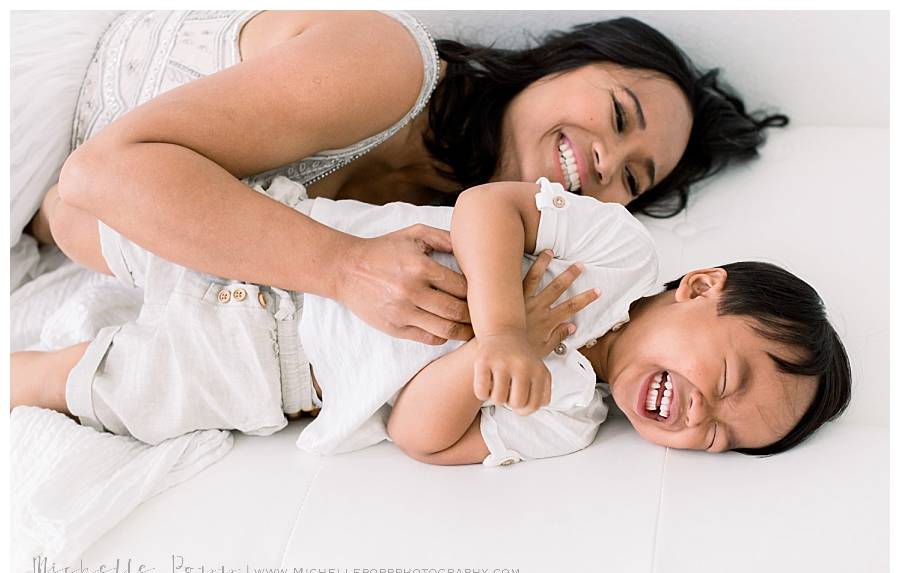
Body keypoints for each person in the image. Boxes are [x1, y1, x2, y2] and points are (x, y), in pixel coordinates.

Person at [27, 10, 787, 347]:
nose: (603, 164)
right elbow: (99, 174)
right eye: (618, 116)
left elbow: (76, 217)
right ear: (563, 59)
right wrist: (338, 267)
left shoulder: (442, 224)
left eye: (634, 176)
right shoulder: (389, 66)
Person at [11, 176, 851, 466]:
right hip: (293, 243)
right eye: (731, 380)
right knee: (90, 216)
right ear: (701, 287)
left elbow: (421, 435)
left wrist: (471, 370)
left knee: (93, 384)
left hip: (268, 369)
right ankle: (37, 223)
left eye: (721, 439)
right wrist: (501, 328)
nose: (706, 413)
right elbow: (489, 209)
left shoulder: (566, 414)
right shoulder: (615, 251)